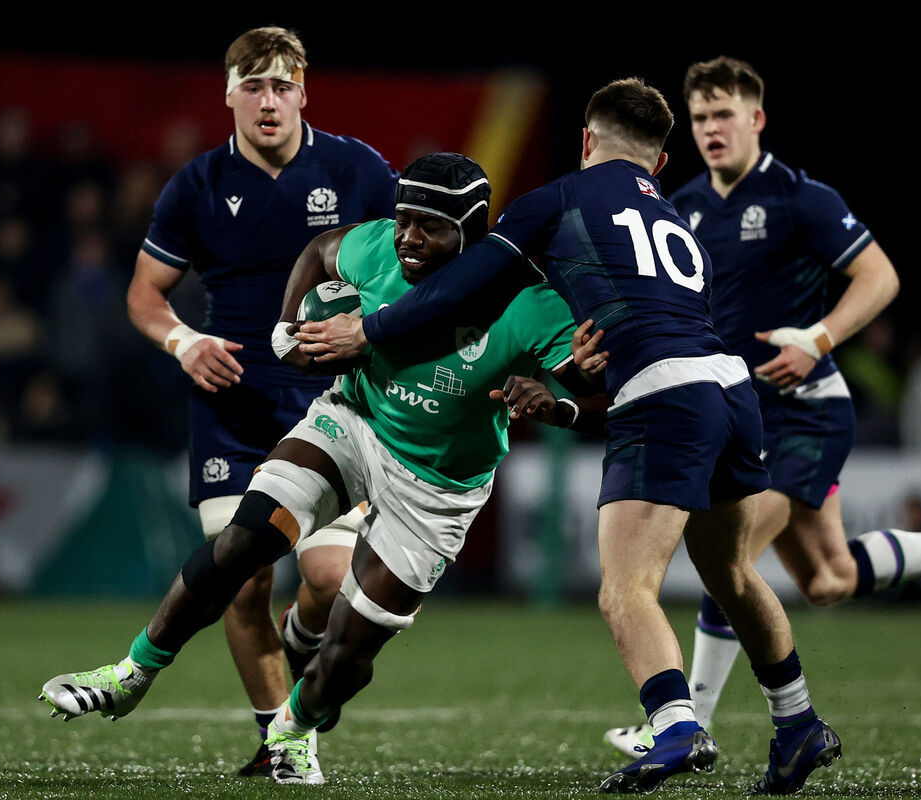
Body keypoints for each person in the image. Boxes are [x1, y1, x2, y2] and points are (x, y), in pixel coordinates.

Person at [312, 78, 841, 796]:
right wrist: (562, 375)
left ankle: (678, 727)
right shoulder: (681, 224)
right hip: (731, 389)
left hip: (665, 397)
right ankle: (799, 722)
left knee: (626, 588)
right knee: (734, 574)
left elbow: (463, 286)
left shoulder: (559, 199)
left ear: (588, 141)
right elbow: (627, 331)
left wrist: (366, 328)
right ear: (659, 163)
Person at [41, 152, 599, 785]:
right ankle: (132, 673)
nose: (409, 238)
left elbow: (588, 387)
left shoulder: (528, 299)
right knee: (245, 540)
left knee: (348, 658)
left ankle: (293, 727)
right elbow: (323, 248)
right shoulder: (379, 250)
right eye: (404, 219)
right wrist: (285, 326)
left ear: (471, 230)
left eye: (431, 227)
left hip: (439, 486)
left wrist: (558, 403)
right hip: (353, 423)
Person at [587, 56, 921, 765]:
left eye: (726, 115)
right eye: (703, 117)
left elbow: (882, 276)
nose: (714, 129)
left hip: (805, 413)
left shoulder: (797, 197)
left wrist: (820, 338)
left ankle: (688, 721)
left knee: (729, 559)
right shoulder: (679, 207)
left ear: (757, 119)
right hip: (741, 414)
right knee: (828, 579)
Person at [122, 26, 398, 776]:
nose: (267, 100)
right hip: (232, 415)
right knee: (241, 584)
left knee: (331, 583)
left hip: (334, 409)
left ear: (304, 92)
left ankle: (303, 639)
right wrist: (185, 342)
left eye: (281, 85)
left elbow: (412, 270)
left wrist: (369, 331)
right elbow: (146, 296)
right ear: (229, 96)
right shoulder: (198, 186)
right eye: (253, 85)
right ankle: (284, 742)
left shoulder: (359, 170)